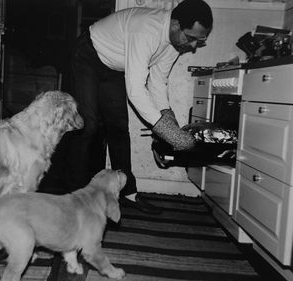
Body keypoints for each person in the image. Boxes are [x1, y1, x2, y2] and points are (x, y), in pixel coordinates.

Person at [65, 0, 213, 214]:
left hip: (115, 65)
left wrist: (167, 118)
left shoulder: (175, 42)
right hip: (88, 54)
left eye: (199, 41)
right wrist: (167, 132)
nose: (192, 46)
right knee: (87, 127)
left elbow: (157, 82)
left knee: (118, 128)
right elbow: (136, 89)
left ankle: (127, 194)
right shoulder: (146, 29)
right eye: (191, 38)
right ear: (175, 24)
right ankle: (74, 197)